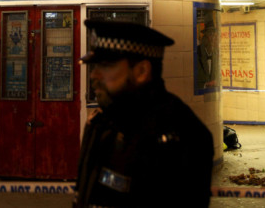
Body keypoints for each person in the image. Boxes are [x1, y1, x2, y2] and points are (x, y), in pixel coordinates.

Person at [75, 20, 214, 207]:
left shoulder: (182, 135)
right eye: (95, 66)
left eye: (106, 66)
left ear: (141, 71)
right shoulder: (101, 121)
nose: (94, 75)